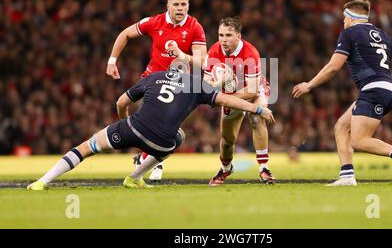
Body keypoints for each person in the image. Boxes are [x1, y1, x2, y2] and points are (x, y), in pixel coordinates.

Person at [27, 68, 275, 190]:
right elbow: (228, 101)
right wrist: (258, 109)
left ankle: (42, 181)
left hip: (131, 127)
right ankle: (134, 178)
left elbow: (121, 103)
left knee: (87, 147)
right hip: (161, 142)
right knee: (178, 137)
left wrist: (123, 127)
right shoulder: (199, 86)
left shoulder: (154, 76)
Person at [292, 0, 392, 186]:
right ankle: (347, 176)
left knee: (358, 141)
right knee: (341, 127)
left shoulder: (349, 33)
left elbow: (334, 67)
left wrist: (309, 85)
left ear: (351, 18)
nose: (343, 22)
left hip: (373, 89)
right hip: (388, 90)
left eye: (344, 18)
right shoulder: (383, 35)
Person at [106, 0, 207, 181]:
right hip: (153, 78)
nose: (180, 8)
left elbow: (201, 61)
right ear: (168, 5)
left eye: (183, 4)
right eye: (176, 4)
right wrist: (112, 61)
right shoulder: (154, 22)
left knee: (163, 122)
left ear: (188, 6)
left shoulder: (195, 27)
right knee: (144, 116)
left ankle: (147, 158)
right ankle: (148, 157)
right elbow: (125, 34)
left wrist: (181, 55)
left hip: (178, 82)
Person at [204, 17, 275, 185]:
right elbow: (207, 83)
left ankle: (264, 168)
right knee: (228, 140)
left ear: (238, 36)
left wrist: (225, 100)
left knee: (256, 118)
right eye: (221, 35)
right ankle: (226, 168)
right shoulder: (214, 51)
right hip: (230, 93)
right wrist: (215, 88)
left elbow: (251, 90)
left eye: (228, 35)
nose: (223, 39)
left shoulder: (250, 52)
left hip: (254, 88)